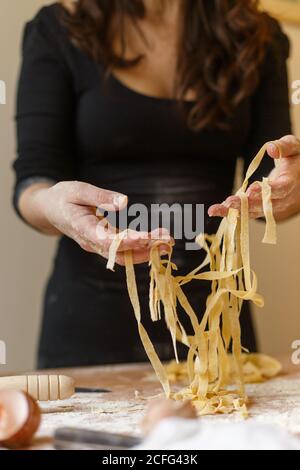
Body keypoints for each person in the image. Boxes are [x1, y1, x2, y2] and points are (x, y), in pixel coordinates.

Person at [13, 0, 300, 368]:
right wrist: (54, 207)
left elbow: (275, 183)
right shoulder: (61, 26)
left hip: (217, 323)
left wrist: (288, 190)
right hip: (91, 325)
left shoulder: (257, 35)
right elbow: (33, 181)